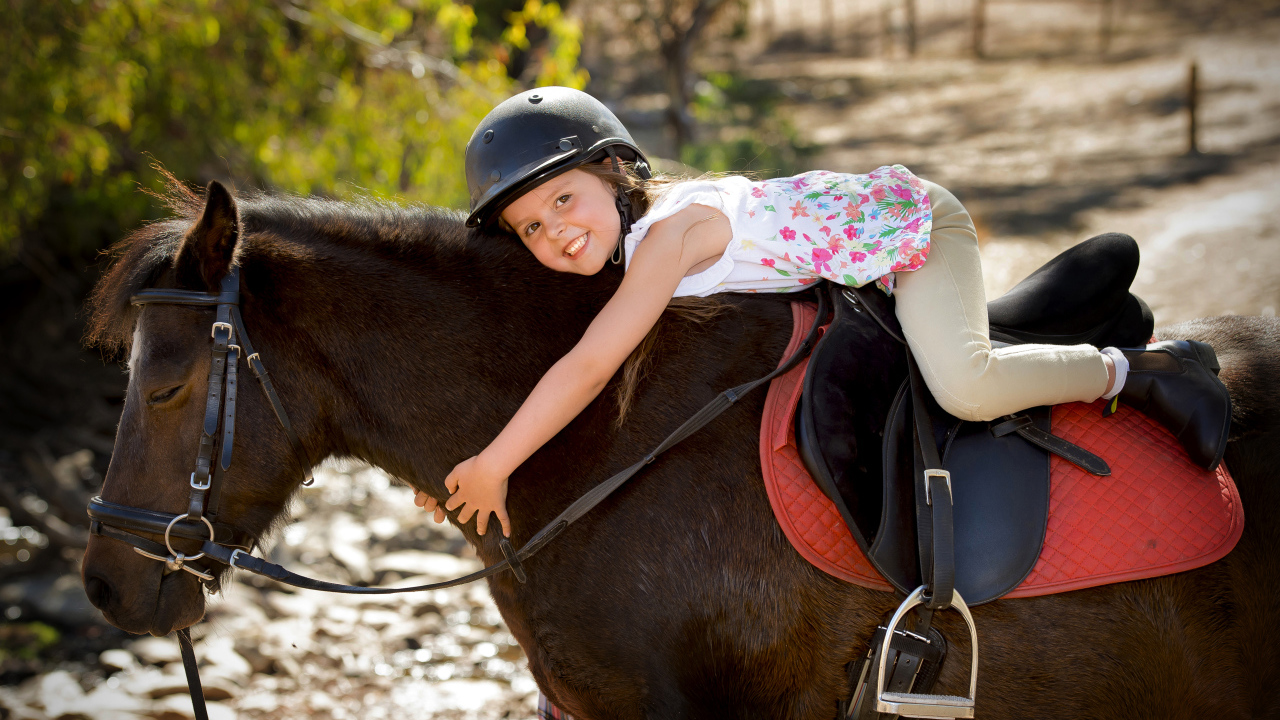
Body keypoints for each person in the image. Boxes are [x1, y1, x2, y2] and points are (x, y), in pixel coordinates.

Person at [414, 86, 1231, 537]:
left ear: (616, 174)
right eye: (530, 227)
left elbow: (591, 364)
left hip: (912, 230)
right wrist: (472, 463)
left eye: (563, 199)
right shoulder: (627, 250)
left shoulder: (670, 236)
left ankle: (1143, 372)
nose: (555, 231)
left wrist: (498, 464)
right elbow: (564, 359)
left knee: (965, 384)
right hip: (855, 263)